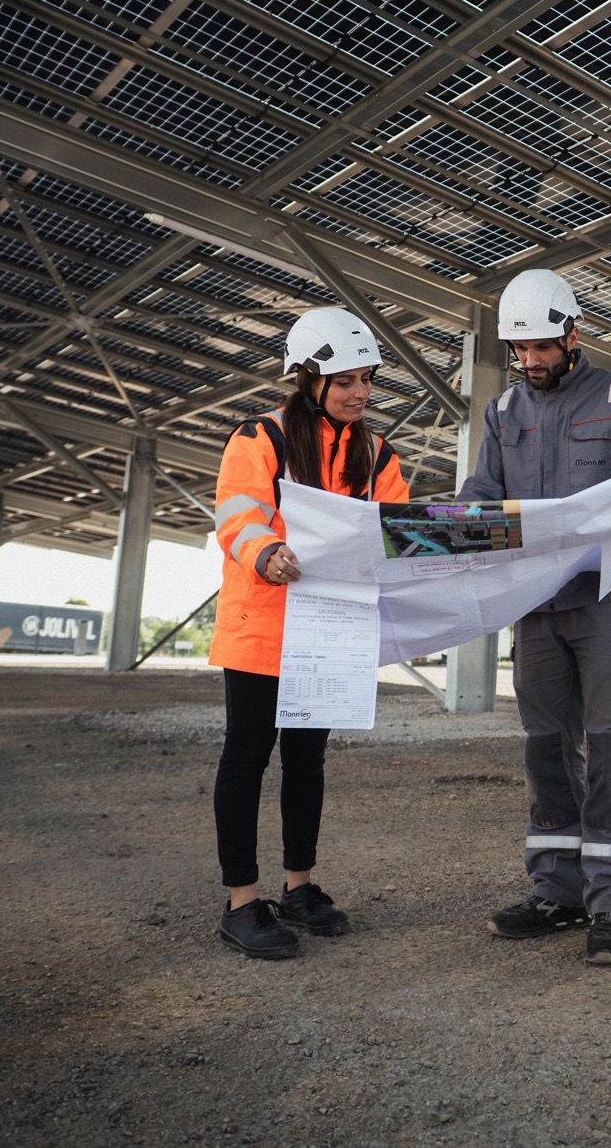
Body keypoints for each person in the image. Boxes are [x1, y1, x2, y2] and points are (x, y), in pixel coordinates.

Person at [457, 269, 611, 965]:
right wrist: (451, 521)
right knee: (545, 744)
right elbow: (481, 492)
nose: (530, 361)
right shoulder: (501, 414)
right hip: (535, 603)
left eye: (541, 347)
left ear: (573, 333)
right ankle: (555, 891)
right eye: (519, 350)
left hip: (608, 600)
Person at [209, 306, 410, 959]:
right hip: (262, 630)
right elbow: (238, 512)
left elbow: (396, 525)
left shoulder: (376, 453)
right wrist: (264, 550)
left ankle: (299, 886)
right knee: (246, 758)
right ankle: (241, 900)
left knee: (307, 761)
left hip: (327, 630)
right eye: (345, 380)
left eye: (367, 380)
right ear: (308, 378)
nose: (359, 393)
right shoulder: (260, 437)